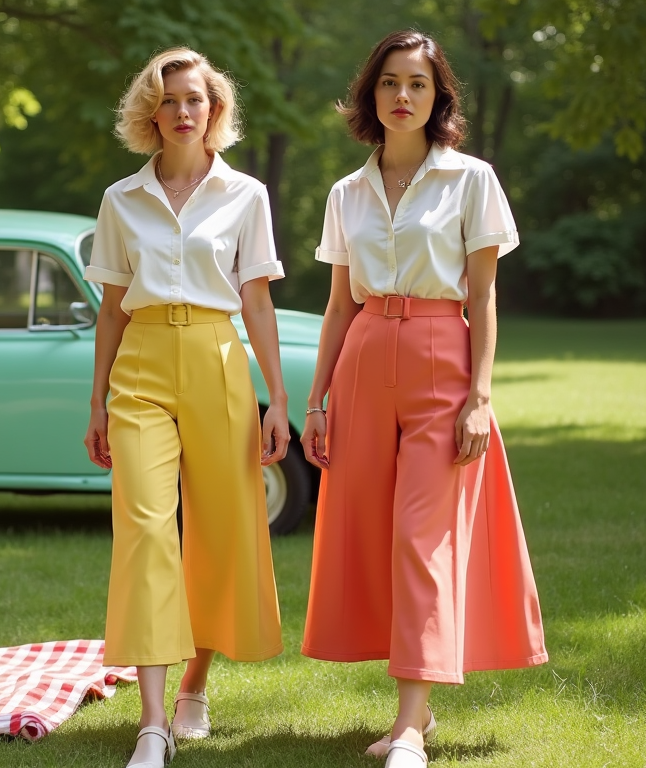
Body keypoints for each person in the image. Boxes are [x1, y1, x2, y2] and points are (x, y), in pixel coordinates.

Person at [299, 30, 548, 768]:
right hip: (365, 355)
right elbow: (339, 306)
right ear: (370, 94)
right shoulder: (347, 192)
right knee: (375, 535)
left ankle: (410, 723)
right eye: (388, 83)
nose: (402, 96)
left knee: (421, 536)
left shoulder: (472, 180)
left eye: (417, 84)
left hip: (443, 358)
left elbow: (484, 295)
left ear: (439, 96)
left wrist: (480, 395)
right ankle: (417, 713)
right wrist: (315, 401)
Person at [84, 47, 288, 768]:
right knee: (144, 530)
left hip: (218, 360)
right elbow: (110, 308)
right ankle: (150, 721)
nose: (181, 111)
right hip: (139, 364)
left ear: (215, 110)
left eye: (194, 99)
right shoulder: (121, 200)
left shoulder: (246, 196)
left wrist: (277, 401)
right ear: (151, 113)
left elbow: (257, 302)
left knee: (220, 531)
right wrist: (98, 400)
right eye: (168, 101)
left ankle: (194, 687)